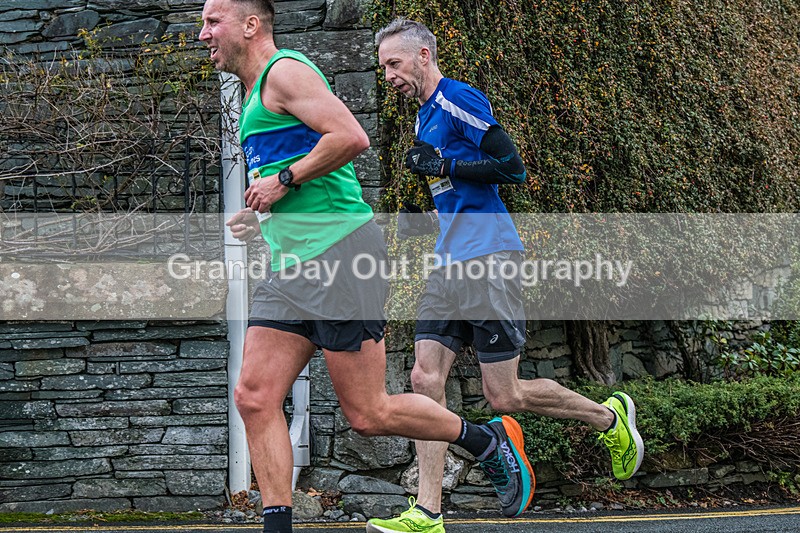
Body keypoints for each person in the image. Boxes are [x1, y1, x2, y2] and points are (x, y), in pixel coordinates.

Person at [199, 2, 535, 532]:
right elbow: (297, 179)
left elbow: (350, 137)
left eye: (212, 21)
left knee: (368, 412)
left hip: (339, 258)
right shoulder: (250, 97)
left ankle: (483, 439)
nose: (202, 34)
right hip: (290, 270)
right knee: (254, 396)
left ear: (250, 24)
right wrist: (260, 213)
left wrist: (282, 182)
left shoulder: (284, 72)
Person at [368, 19, 644, 533]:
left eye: (395, 64)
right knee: (425, 378)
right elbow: (458, 195)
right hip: (449, 263)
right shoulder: (422, 120)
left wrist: (443, 163)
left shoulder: (456, 99)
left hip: (491, 257)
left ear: (424, 55)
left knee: (505, 395)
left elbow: (511, 167)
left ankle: (608, 418)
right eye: (383, 67)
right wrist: (419, 223)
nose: (388, 76)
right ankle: (427, 511)